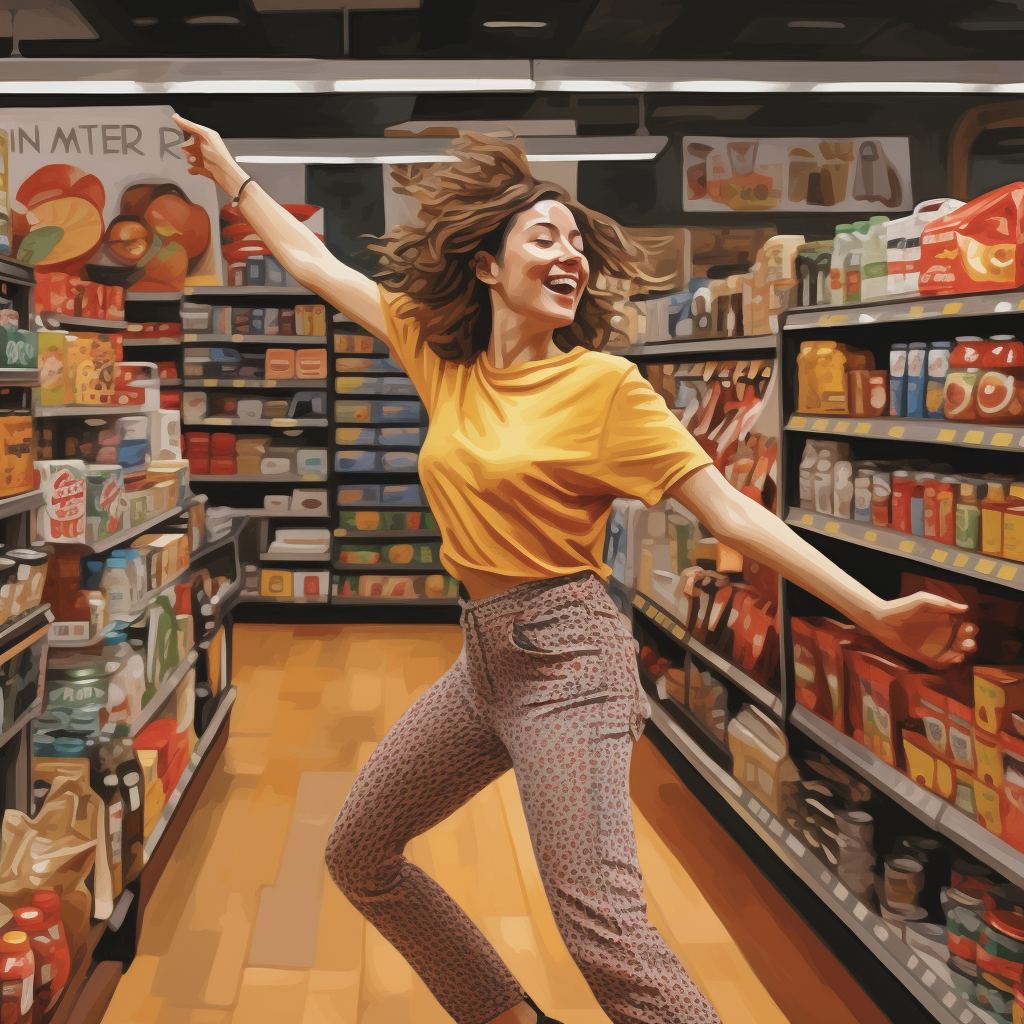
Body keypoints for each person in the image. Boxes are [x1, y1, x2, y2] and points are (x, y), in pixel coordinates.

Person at [174, 115, 977, 1024]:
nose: (572, 257)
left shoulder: (605, 388)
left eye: (578, 245)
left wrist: (873, 612)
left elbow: (728, 510)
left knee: (605, 936)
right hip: (484, 662)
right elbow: (318, 266)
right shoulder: (446, 361)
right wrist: (233, 176)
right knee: (360, 854)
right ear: (487, 265)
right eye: (544, 237)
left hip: (570, 663)